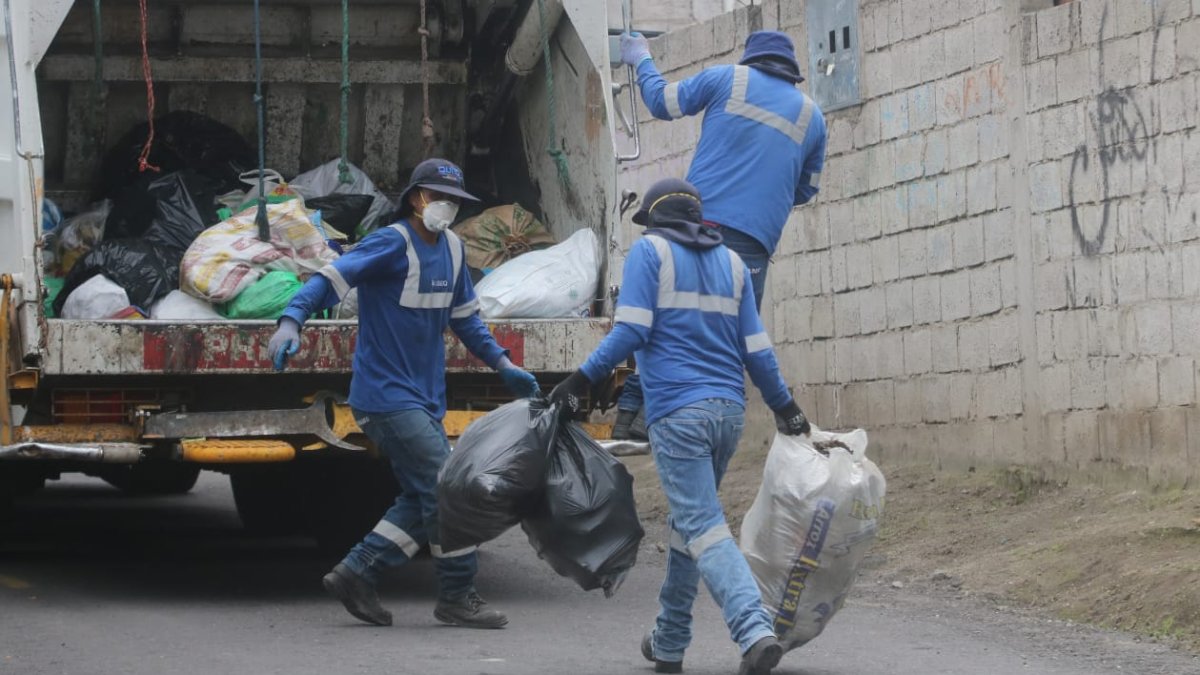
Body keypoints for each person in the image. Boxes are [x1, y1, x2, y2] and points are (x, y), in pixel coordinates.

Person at [549, 179, 811, 675]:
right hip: (728, 414)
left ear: (656, 220)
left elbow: (630, 330)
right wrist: (785, 406)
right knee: (687, 527)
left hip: (678, 414)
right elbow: (756, 350)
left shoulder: (650, 252)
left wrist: (580, 380)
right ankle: (668, 642)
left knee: (703, 526)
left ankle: (753, 629)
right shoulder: (733, 263)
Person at [267, 158, 540, 630]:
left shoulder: (454, 249)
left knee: (424, 494)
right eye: (439, 197)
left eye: (454, 200)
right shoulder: (390, 243)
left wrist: (503, 364)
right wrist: (292, 318)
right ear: (417, 198)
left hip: (425, 397)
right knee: (450, 488)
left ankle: (357, 572)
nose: (447, 207)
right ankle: (457, 594)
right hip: (385, 397)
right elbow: (331, 279)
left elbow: (466, 320)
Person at [610, 29, 828, 441]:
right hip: (754, 242)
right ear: (791, 71)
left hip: (695, 225)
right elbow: (806, 189)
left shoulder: (727, 79)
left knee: (663, 316)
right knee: (734, 335)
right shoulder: (812, 117)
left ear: (752, 60)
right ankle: (710, 430)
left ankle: (632, 417)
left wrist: (641, 59)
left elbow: (661, 102)